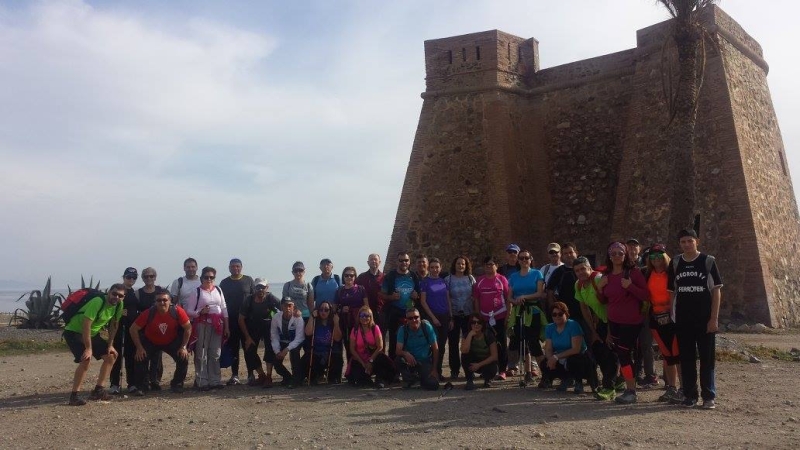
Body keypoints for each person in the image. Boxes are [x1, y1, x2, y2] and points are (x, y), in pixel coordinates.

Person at [668, 229, 722, 409]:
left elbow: (716, 291)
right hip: (683, 319)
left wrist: (714, 319)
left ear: (697, 241)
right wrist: (672, 315)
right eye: (683, 242)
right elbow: (672, 292)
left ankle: (709, 396)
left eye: (689, 241)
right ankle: (690, 395)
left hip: (704, 319)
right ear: (679, 244)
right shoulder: (676, 262)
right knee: (686, 359)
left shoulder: (708, 261)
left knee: (707, 359)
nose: (686, 244)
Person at [597, 242, 649, 404]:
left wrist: (630, 286)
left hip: (631, 322)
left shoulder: (633, 273)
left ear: (625, 255)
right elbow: (603, 300)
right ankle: (628, 388)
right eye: (613, 254)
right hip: (614, 322)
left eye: (620, 253)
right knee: (621, 354)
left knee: (624, 354)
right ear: (609, 256)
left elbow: (646, 295)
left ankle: (631, 391)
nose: (617, 256)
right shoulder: (606, 275)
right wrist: (599, 288)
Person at [63, 283, 125, 406]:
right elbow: (86, 324)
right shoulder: (98, 301)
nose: (116, 297)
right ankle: (74, 396)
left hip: (92, 333)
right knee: (85, 359)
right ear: (109, 292)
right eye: (114, 294)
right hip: (74, 332)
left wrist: (110, 345)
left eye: (120, 296)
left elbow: (114, 325)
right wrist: (88, 348)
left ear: (123, 297)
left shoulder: (119, 305)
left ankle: (98, 391)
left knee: (111, 356)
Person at [128, 288, 192, 394]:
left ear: (170, 301)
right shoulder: (148, 313)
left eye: (165, 300)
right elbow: (133, 329)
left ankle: (177, 384)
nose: (162, 302)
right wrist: (139, 348)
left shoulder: (177, 311)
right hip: (151, 341)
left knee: (183, 357)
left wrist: (183, 347)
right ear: (155, 302)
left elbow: (188, 328)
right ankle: (141, 386)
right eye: (159, 300)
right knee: (140, 358)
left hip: (171, 341)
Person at [573, 256, 618, 401]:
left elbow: (611, 304)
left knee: (610, 353)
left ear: (589, 268)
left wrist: (610, 332)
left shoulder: (598, 280)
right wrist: (593, 331)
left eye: (583, 269)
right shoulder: (578, 285)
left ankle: (610, 387)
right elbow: (584, 308)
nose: (580, 272)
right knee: (599, 351)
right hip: (601, 321)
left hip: (615, 319)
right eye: (577, 270)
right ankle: (610, 383)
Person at [645, 244, 683, 403]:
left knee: (677, 354)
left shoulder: (672, 272)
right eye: (652, 257)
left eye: (659, 256)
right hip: (656, 317)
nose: (656, 259)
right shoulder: (647, 273)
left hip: (672, 316)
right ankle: (671, 388)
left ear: (665, 256)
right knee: (667, 355)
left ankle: (684, 389)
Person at [506, 249, 546, 383]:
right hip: (519, 312)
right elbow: (509, 297)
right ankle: (528, 372)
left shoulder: (537, 273)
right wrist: (515, 301)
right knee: (522, 341)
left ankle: (546, 373)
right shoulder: (513, 277)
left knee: (534, 342)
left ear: (530, 259)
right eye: (521, 258)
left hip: (533, 312)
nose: (524, 260)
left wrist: (524, 297)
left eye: (526, 258)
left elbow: (539, 293)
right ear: (518, 260)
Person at [187, 267, 230, 391]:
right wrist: (200, 312)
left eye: (211, 277)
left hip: (218, 325)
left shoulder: (218, 290)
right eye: (206, 277)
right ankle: (202, 381)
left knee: (215, 353)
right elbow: (189, 311)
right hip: (202, 324)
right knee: (201, 353)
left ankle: (215, 381)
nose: (209, 279)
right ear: (202, 278)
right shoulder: (196, 292)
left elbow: (224, 308)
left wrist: (227, 326)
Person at [541, 302, 594, 394]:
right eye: (554, 314)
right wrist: (550, 359)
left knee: (574, 361)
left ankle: (578, 382)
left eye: (560, 314)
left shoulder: (573, 325)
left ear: (566, 314)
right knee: (544, 363)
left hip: (579, 357)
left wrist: (556, 357)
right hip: (561, 357)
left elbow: (576, 349)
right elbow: (548, 348)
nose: (557, 316)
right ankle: (565, 379)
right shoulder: (549, 328)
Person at [219, 258, 255, 386]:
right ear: (229, 268)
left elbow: (254, 299)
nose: (235, 268)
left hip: (246, 322)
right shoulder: (224, 283)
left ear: (241, 267)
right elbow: (221, 303)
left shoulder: (248, 280)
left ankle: (251, 374)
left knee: (248, 348)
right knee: (234, 349)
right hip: (231, 321)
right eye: (233, 266)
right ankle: (235, 375)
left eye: (237, 266)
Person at [472, 256, 510, 380]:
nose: (489, 266)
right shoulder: (480, 281)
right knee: (487, 344)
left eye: (491, 264)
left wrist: (508, 316)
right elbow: (476, 299)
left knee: (501, 343)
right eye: (486, 265)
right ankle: (487, 369)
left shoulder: (502, 279)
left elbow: (508, 298)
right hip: (484, 318)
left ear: (496, 266)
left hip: (500, 315)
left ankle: (503, 370)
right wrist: (478, 316)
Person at [238, 278, 281, 387]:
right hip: (253, 327)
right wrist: (247, 337)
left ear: (267, 288)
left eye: (262, 287)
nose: (260, 289)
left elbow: (284, 307)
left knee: (269, 350)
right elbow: (241, 319)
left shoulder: (271, 298)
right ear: (254, 288)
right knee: (249, 350)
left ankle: (269, 377)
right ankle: (261, 375)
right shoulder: (249, 300)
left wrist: (295, 313)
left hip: (268, 326)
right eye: (258, 287)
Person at [628, 238, 657, 389]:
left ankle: (650, 375)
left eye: (635, 246)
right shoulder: (623, 266)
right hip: (630, 310)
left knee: (645, 344)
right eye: (629, 246)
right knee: (630, 344)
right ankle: (632, 373)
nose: (632, 249)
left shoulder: (646, 268)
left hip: (646, 311)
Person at [381, 252, 420, 360]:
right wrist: (391, 297)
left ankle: (410, 365)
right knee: (394, 341)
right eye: (401, 260)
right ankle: (393, 367)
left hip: (409, 313)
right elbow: (382, 294)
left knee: (411, 340)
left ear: (409, 261)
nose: (404, 262)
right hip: (394, 312)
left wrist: (416, 296)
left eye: (406, 260)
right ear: (396, 262)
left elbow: (418, 294)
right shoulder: (390, 276)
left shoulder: (413, 276)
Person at [419, 257, 451, 381]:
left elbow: (448, 300)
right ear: (429, 268)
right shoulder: (425, 282)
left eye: (437, 267)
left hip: (444, 316)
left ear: (440, 268)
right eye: (432, 267)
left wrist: (451, 317)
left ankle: (438, 371)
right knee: (433, 345)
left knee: (442, 346)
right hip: (432, 316)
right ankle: (431, 371)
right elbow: (423, 301)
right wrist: (433, 318)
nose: (434, 269)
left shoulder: (443, 282)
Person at [347, 306, 397, 388]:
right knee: (361, 380)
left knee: (381, 357)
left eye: (367, 316)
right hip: (360, 358)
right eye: (362, 315)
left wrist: (370, 361)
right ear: (359, 317)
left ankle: (380, 379)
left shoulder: (375, 328)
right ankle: (366, 380)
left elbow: (380, 346)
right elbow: (352, 349)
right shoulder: (355, 330)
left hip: (373, 357)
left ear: (371, 317)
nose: (364, 318)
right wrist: (363, 364)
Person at [445, 255, 476, 380]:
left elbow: (475, 296)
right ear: (454, 265)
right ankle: (454, 369)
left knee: (469, 343)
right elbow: (447, 298)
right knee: (453, 343)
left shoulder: (470, 278)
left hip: (468, 315)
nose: (460, 266)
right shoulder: (448, 279)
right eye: (458, 263)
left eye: (463, 264)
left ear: (466, 265)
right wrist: (450, 317)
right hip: (454, 315)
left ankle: (469, 369)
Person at [110, 267, 138, 395]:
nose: (131, 279)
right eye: (128, 277)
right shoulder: (119, 290)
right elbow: (111, 306)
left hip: (131, 329)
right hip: (119, 327)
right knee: (117, 356)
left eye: (134, 277)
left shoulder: (133, 292)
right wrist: (120, 312)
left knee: (130, 357)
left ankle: (132, 383)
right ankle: (114, 384)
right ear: (124, 277)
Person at [395, 308, 440, 390]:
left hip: (424, 361)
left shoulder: (426, 327)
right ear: (406, 320)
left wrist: (434, 369)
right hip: (410, 362)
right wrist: (406, 353)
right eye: (410, 318)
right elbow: (398, 351)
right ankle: (410, 379)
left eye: (416, 317)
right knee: (399, 360)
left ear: (420, 317)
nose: (414, 320)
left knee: (433, 385)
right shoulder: (402, 330)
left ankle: (420, 379)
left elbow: (435, 349)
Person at [302, 301, 344, 384]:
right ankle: (315, 376)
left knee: (338, 358)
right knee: (305, 360)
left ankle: (332, 377)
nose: (323, 312)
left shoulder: (332, 323)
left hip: (329, 352)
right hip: (316, 352)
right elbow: (308, 333)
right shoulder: (315, 322)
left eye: (326, 310)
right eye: (321, 310)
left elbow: (337, 338)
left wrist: (336, 323)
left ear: (330, 311)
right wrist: (312, 317)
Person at [135, 267, 163, 389]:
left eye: (151, 276)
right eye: (146, 276)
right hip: (144, 329)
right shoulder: (138, 293)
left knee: (157, 356)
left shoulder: (161, 291)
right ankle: (144, 381)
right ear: (142, 278)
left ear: (155, 277)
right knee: (144, 356)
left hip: (158, 328)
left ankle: (155, 380)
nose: (149, 278)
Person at [269, 297, 305, 388]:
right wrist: (277, 351)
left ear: (293, 306)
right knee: (275, 359)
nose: (288, 308)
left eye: (290, 305)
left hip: (296, 341)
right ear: (281, 306)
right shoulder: (276, 317)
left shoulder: (298, 318)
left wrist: (286, 350)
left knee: (294, 352)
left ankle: (296, 379)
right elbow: (274, 335)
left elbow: (299, 337)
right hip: (283, 341)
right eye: (285, 305)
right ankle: (287, 377)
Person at [546, 242, 584, 328]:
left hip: (585, 312)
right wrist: (554, 311)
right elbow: (550, 292)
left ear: (576, 253)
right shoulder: (558, 272)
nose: (568, 255)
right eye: (565, 253)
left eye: (570, 252)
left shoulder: (584, 269)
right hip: (565, 314)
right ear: (562, 256)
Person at [335, 266, 368, 363]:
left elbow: (367, 307)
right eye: (346, 275)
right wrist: (341, 309)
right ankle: (350, 369)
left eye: (351, 275)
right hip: (345, 324)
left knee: (361, 347)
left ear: (355, 277)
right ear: (343, 277)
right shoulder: (340, 290)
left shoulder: (361, 289)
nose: (349, 277)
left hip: (359, 323)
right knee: (349, 348)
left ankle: (363, 368)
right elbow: (334, 308)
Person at [460, 313, 499, 390]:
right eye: (473, 322)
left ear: (483, 324)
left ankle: (487, 380)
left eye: (479, 322)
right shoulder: (467, 334)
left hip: (485, 362)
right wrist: (470, 335)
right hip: (474, 361)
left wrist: (479, 365)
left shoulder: (488, 335)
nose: (476, 324)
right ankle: (469, 380)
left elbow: (494, 356)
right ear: (470, 324)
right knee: (464, 355)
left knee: (493, 367)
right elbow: (464, 350)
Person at [356, 254, 386, 342]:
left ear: (379, 262)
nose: (373, 261)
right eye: (371, 259)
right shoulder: (361, 277)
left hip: (381, 312)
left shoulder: (385, 277)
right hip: (366, 314)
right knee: (367, 338)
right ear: (368, 262)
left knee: (381, 338)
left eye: (375, 259)